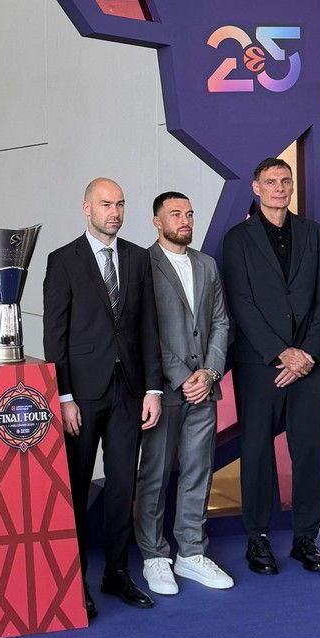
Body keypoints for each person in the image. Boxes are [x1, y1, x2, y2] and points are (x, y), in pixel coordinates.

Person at [43, 177, 162, 617]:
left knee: (121, 486)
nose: (115, 212)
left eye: (120, 205)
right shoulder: (63, 260)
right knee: (74, 487)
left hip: (128, 392)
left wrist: (153, 389)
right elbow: (54, 334)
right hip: (81, 396)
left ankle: (116, 572)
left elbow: (149, 327)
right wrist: (64, 396)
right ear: (86, 208)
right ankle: (73, 580)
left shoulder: (137, 258)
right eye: (106, 204)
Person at [221, 158, 320, 575]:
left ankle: (306, 539)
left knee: (307, 450)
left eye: (285, 181)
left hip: (309, 362)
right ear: (256, 188)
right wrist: (281, 353)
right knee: (255, 451)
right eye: (271, 182)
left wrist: (305, 354)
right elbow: (241, 303)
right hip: (259, 363)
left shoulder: (314, 234)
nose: (280, 187)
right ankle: (258, 538)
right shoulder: (238, 239)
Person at [133, 192, 233, 596]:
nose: (185, 220)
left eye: (189, 213)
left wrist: (208, 373)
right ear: (157, 222)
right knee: (155, 474)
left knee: (198, 471)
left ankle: (191, 553)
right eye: (175, 214)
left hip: (204, 390)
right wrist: (183, 376)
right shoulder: (142, 264)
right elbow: (144, 329)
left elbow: (221, 322)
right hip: (164, 390)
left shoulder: (206, 264)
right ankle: (154, 555)